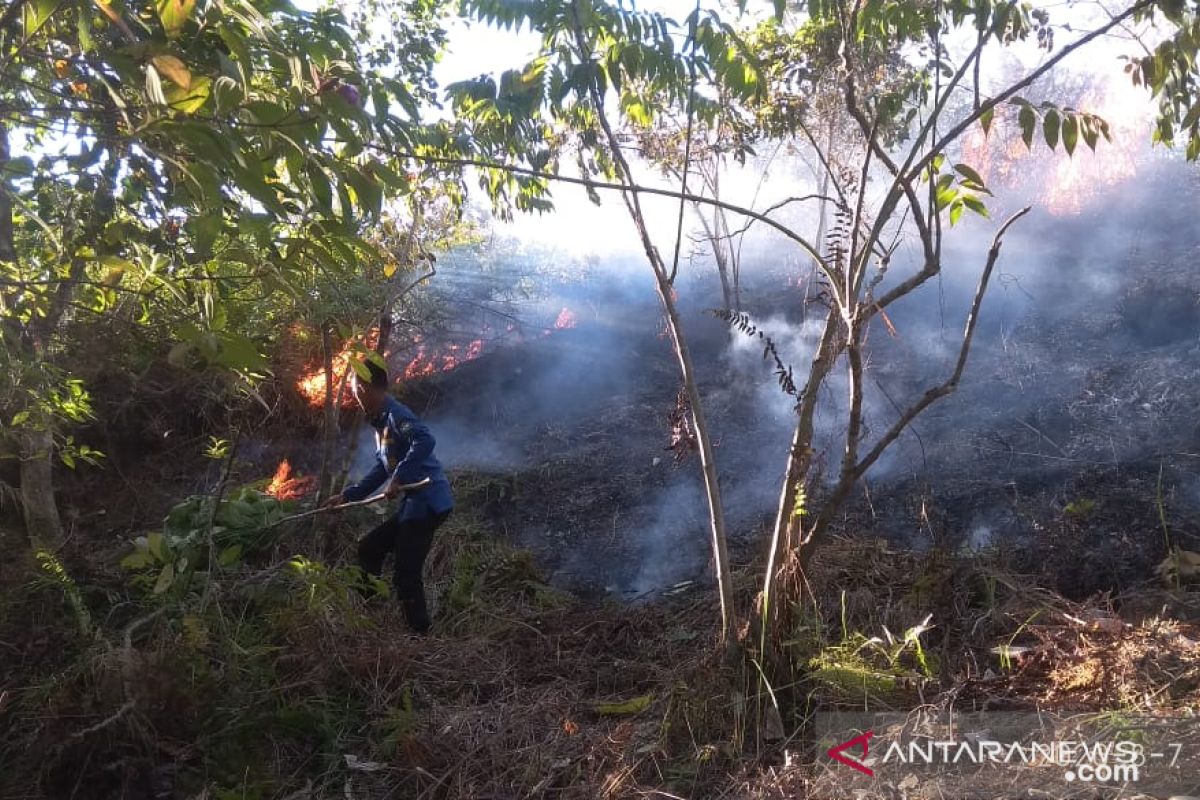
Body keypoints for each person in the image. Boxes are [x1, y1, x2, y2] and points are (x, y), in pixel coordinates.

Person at [324, 360, 453, 633]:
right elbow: (383, 467)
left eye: (357, 389)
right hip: (413, 504)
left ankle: (420, 637)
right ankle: (372, 612)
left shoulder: (397, 416)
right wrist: (348, 495)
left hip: (427, 502)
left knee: (406, 574)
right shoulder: (381, 422)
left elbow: (425, 440)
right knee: (369, 548)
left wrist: (400, 477)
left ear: (371, 387)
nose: (354, 395)